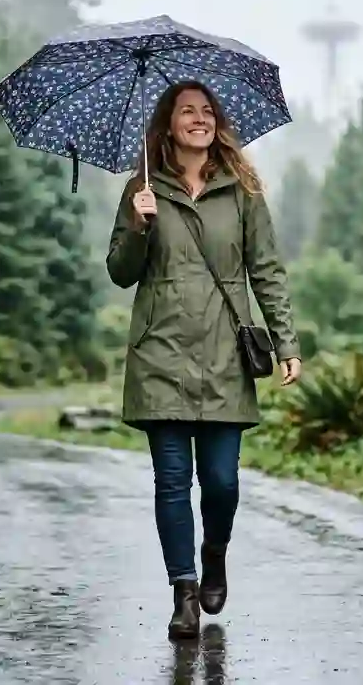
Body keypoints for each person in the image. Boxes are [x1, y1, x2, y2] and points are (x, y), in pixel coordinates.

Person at [106, 79, 302, 640]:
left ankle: (213, 552)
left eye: (207, 111)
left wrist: (285, 342)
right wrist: (140, 224)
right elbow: (120, 271)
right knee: (172, 481)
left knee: (220, 483)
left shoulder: (242, 189)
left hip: (223, 354)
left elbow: (265, 269)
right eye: (187, 111)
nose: (199, 118)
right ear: (167, 124)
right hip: (159, 354)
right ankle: (184, 591)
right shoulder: (140, 187)